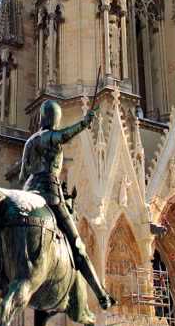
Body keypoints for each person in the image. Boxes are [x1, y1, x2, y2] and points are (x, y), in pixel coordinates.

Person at [20, 99, 115, 310]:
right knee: (78, 246)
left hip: (28, 190)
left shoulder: (30, 142)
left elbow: (23, 174)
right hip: (50, 194)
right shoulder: (49, 137)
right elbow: (64, 135)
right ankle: (101, 295)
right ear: (55, 119)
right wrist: (85, 122)